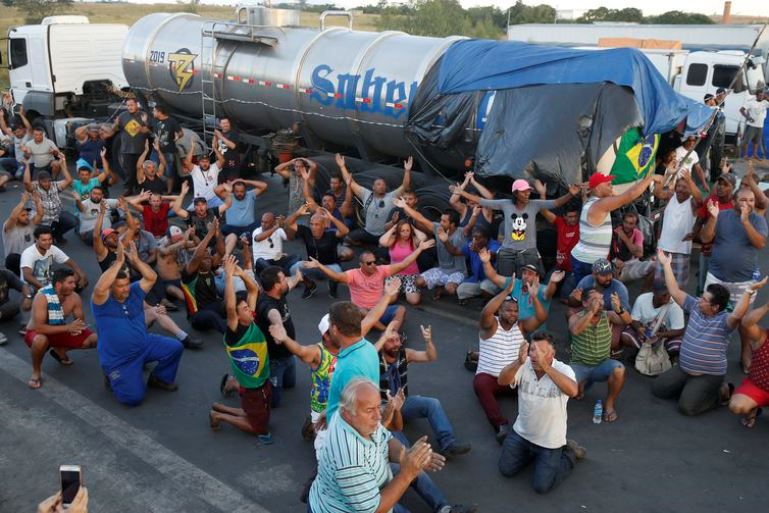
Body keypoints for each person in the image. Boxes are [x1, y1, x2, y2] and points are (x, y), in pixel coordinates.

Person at [265, 281, 399, 439]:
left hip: (343, 417)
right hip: (325, 408)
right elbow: (300, 351)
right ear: (326, 336)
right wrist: (285, 338)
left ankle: (315, 430)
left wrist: (387, 296)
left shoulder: (348, 348)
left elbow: (371, 317)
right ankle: (314, 426)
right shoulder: (325, 350)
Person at [308, 378, 445, 513]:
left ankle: (444, 508)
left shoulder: (354, 416)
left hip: (367, 489)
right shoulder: (350, 461)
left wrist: (407, 455)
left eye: (378, 407)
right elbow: (375, 509)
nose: (378, 416)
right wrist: (407, 474)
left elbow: (385, 438)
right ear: (348, 415)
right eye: (369, 410)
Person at [654, 249, 758, 416]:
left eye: (704, 299)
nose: (699, 299)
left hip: (708, 375)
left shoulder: (724, 321)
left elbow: (738, 315)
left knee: (687, 407)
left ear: (715, 307)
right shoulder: (695, 305)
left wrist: (748, 292)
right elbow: (674, 291)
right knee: (659, 389)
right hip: (684, 368)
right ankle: (691, 388)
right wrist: (666, 264)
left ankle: (721, 392)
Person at [93, 242, 184, 406]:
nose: (125, 289)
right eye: (120, 286)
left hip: (144, 345)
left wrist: (136, 261)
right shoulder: (102, 302)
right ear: (111, 288)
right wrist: (118, 263)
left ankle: (159, 378)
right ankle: (112, 376)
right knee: (133, 399)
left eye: (126, 284)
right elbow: (99, 289)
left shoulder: (134, 291)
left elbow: (151, 277)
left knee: (175, 347)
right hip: (119, 359)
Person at [497, 332, 584, 494]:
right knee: (506, 470)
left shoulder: (563, 369)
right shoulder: (524, 364)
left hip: (550, 441)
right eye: (532, 350)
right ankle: (531, 456)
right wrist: (518, 362)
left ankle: (569, 454)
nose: (535, 355)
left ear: (552, 353)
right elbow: (502, 381)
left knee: (542, 486)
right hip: (522, 434)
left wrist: (547, 367)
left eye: (542, 351)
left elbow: (573, 391)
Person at [377, 324, 472, 457]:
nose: (395, 344)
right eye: (390, 340)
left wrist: (428, 341)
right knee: (398, 440)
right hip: (383, 408)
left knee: (432, 403)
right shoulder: (373, 360)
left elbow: (430, 356)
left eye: (397, 340)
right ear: (382, 343)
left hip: (402, 402)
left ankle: (448, 443)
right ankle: (409, 460)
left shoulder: (405, 354)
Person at [700, 188, 768, 372]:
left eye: (752, 200)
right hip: (716, 277)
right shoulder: (722, 215)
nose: (748, 203)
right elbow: (705, 237)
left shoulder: (758, 220)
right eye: (744, 199)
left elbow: (760, 243)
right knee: (708, 314)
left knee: (744, 321)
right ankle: (706, 353)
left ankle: (745, 354)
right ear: (735, 201)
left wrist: (745, 222)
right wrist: (713, 218)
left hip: (744, 282)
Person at [451, 179, 578, 276]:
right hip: (508, 252)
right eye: (524, 191)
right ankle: (508, 304)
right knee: (507, 283)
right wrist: (462, 192)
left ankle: (523, 308)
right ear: (516, 193)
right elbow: (481, 201)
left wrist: (570, 194)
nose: (527, 193)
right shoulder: (505, 204)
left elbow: (556, 203)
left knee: (527, 283)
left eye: (528, 190)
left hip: (528, 252)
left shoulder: (535, 204)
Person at [208, 255, 273, 442]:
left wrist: (241, 274)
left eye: (247, 307)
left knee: (258, 412)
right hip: (252, 386)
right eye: (244, 309)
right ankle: (218, 416)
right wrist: (228, 277)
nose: (249, 310)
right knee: (259, 428)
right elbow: (230, 307)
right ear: (235, 316)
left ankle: (221, 407)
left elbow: (253, 290)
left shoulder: (249, 320)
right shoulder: (235, 331)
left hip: (260, 380)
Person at [304, 240, 435, 330]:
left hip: (378, 311)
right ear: (361, 265)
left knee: (401, 310)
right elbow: (336, 276)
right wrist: (319, 265)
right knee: (360, 310)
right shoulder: (353, 274)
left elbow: (404, 264)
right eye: (369, 263)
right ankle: (385, 330)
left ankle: (392, 332)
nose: (373, 265)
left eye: (374, 262)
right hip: (362, 316)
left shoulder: (381, 270)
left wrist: (420, 249)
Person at [475, 277, 541, 442]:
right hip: (492, 377)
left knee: (536, 383)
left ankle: (533, 426)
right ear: (499, 311)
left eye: (515, 310)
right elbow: (486, 312)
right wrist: (506, 292)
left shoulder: (521, 326)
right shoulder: (490, 325)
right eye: (508, 310)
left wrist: (534, 297)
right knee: (480, 384)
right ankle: (501, 425)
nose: (513, 314)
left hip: (515, 377)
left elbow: (541, 318)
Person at [570, 171, 656, 284]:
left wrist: (594, 186)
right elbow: (629, 196)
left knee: (589, 295)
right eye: (608, 184)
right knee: (593, 297)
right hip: (589, 262)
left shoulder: (590, 202)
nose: (611, 186)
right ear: (598, 187)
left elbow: (622, 197)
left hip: (586, 259)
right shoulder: (599, 204)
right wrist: (651, 178)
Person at [24, 268, 97, 389]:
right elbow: (40, 328)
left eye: (74, 282)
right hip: (37, 333)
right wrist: (69, 327)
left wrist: (78, 327)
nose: (75, 285)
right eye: (70, 283)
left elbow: (80, 323)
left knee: (94, 339)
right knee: (41, 341)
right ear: (58, 284)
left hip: (59, 330)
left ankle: (60, 350)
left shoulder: (74, 298)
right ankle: (36, 372)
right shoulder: (42, 297)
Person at [568, 288, 629, 422]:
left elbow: (627, 321)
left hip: (601, 365)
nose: (600, 303)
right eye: (595, 300)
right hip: (579, 365)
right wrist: (591, 311)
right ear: (584, 303)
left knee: (619, 370)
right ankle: (582, 383)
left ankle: (609, 404)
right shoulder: (575, 317)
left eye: (601, 299)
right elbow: (576, 330)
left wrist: (619, 308)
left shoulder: (608, 315)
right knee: (567, 390)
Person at [394, 201, 467, 300]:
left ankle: (443, 288)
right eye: (441, 220)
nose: (440, 223)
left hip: (458, 272)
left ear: (453, 224)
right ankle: (440, 285)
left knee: (450, 289)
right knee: (418, 282)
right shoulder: (438, 228)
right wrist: (405, 206)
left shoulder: (461, 233)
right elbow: (420, 218)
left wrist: (445, 241)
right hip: (442, 269)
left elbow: (453, 251)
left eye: (444, 221)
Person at [256, 265, 305, 408]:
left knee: (290, 385)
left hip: (289, 355)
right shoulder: (265, 304)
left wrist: (297, 277)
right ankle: (235, 383)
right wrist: (279, 328)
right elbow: (273, 314)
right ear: (276, 285)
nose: (286, 280)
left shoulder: (279, 293)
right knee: (274, 402)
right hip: (275, 361)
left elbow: (290, 284)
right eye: (283, 279)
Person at [340, 154, 412, 246]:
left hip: (383, 234)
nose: (381, 186)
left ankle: (377, 247)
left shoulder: (392, 196)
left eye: (383, 185)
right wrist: (342, 166)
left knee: (381, 254)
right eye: (378, 184)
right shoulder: (366, 194)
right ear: (373, 187)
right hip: (367, 232)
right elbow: (351, 182)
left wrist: (407, 171)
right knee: (347, 239)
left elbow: (405, 186)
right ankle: (364, 244)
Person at [652, 168, 702, 289]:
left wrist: (690, 180)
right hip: (663, 249)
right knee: (659, 287)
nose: (680, 189)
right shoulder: (671, 196)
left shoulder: (692, 203)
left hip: (681, 252)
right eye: (679, 186)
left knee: (677, 289)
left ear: (690, 189)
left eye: (685, 187)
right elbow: (657, 192)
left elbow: (700, 200)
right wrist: (668, 173)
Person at [286, 204, 349, 299]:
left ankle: (333, 286)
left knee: (338, 272)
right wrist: (297, 214)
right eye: (311, 224)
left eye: (317, 224)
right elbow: (288, 224)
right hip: (312, 264)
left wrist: (331, 218)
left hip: (329, 266)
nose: (313, 227)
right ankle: (310, 286)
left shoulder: (331, 234)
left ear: (323, 225)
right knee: (294, 269)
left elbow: (345, 231)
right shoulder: (306, 231)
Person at [480, 256, 557, 331]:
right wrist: (486, 262)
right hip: (514, 329)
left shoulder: (541, 288)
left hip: (535, 332)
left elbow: (549, 292)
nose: (526, 276)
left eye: (530, 274)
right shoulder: (515, 283)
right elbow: (494, 277)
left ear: (537, 277)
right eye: (524, 273)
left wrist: (552, 282)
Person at [181, 220, 227, 334]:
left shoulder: (210, 267)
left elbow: (221, 252)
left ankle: (251, 325)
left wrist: (217, 232)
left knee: (238, 298)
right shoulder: (189, 275)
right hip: (197, 315)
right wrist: (209, 234)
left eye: (208, 258)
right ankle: (233, 337)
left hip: (214, 306)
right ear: (198, 263)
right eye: (204, 259)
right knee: (211, 316)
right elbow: (196, 256)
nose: (208, 261)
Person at [693, 171, 736, 294]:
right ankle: (699, 306)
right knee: (703, 280)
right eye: (719, 183)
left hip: (724, 252)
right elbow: (700, 219)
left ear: (733, 187)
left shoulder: (735, 205)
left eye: (725, 185)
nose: (720, 187)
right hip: (706, 249)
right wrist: (693, 233)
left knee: (720, 286)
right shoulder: (711, 199)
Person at [730, 296, 769, 427]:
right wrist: (766, 306)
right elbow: (747, 323)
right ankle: (754, 407)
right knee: (737, 406)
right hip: (758, 386)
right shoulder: (763, 336)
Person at [619, 286, 686, 358]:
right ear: (654, 292)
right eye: (664, 295)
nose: (667, 297)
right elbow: (633, 319)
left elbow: (679, 330)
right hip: (645, 334)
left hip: (665, 336)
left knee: (676, 346)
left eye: (669, 294)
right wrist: (638, 329)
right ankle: (643, 353)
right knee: (625, 336)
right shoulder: (642, 299)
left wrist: (661, 335)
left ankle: (663, 358)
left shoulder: (675, 305)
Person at [23, 157, 77, 244]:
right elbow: (26, 182)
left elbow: (69, 180)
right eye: (44, 182)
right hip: (42, 218)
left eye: (48, 181)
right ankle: (46, 236)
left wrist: (62, 166)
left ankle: (57, 235)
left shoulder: (54, 185)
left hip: (56, 214)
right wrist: (27, 165)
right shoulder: (34, 187)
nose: (47, 183)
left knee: (73, 221)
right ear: (39, 181)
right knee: (46, 241)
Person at [20, 226, 87, 294]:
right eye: (44, 240)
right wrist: (46, 289)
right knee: (29, 301)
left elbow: (70, 262)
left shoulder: (52, 248)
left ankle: (61, 293)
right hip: (32, 284)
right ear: (36, 240)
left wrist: (82, 275)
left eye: (50, 239)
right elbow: (27, 277)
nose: (48, 242)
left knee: (76, 275)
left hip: (47, 278)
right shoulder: (28, 253)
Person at [379, 219, 427, 305]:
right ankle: (394, 288)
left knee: (414, 301)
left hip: (411, 276)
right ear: (398, 231)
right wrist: (393, 228)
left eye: (408, 230)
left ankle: (405, 289)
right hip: (395, 275)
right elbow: (382, 241)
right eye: (402, 231)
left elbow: (424, 238)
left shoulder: (413, 240)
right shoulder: (393, 240)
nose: (405, 233)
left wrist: (413, 228)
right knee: (390, 299)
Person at [216, 179, 268, 255]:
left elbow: (264, 186)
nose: (239, 194)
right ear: (234, 190)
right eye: (237, 191)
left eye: (242, 191)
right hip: (232, 228)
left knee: (263, 221)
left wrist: (246, 181)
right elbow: (216, 190)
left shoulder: (250, 194)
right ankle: (243, 239)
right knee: (224, 228)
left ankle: (242, 240)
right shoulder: (229, 196)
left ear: (245, 190)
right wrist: (231, 184)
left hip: (249, 228)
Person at [113, 97, 151, 194]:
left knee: (141, 169)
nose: (130, 107)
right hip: (127, 148)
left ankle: (139, 188)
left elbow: (149, 130)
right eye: (128, 105)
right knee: (129, 171)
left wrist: (145, 122)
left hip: (140, 148)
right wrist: (115, 124)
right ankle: (128, 188)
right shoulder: (122, 116)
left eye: (132, 105)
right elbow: (114, 129)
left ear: (137, 104)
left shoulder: (143, 115)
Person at [3, 191, 43, 276]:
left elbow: (40, 214)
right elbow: (12, 217)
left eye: (27, 215)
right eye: (23, 215)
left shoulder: (31, 224)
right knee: (12, 258)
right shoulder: (9, 227)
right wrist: (23, 202)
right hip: (15, 261)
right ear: (17, 218)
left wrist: (38, 202)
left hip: (29, 260)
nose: (27, 217)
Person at [180, 142, 225, 208]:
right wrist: (192, 148)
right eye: (202, 161)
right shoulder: (195, 169)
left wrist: (215, 149)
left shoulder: (214, 167)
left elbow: (222, 160)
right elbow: (187, 162)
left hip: (213, 199)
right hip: (198, 201)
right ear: (199, 162)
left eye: (206, 161)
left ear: (209, 162)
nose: (205, 163)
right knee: (186, 215)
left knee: (227, 210)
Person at [152, 105, 181, 193]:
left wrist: (177, 136)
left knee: (169, 172)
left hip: (168, 151)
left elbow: (180, 133)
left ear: (159, 112)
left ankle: (169, 192)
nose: (153, 112)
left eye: (154, 111)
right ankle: (156, 190)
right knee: (152, 169)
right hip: (156, 150)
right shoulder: (154, 120)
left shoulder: (172, 121)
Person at [0, 267, 32, 343]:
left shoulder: (5, 274)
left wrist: (28, 297)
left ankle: (26, 325)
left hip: (4, 309)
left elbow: (23, 286)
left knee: (24, 298)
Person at [740, 89, 768, 160]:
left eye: (762, 95)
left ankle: (754, 155)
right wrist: (748, 117)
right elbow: (741, 110)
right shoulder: (751, 103)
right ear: (756, 96)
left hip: (760, 126)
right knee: (746, 141)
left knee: (756, 142)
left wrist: (766, 97)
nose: (761, 97)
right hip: (752, 126)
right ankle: (745, 155)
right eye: (760, 95)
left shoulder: (765, 102)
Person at [214, 117, 241, 182]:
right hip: (221, 163)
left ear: (229, 123)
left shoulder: (233, 133)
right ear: (220, 124)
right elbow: (215, 147)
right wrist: (215, 137)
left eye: (227, 123)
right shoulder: (220, 134)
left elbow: (233, 146)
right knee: (221, 183)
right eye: (223, 123)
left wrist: (220, 136)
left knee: (231, 184)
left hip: (231, 164)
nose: (225, 125)